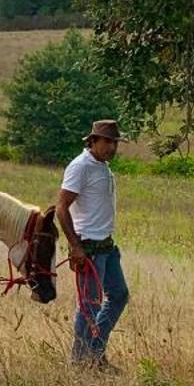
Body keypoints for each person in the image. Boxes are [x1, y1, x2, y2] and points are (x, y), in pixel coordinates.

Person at [58, 118, 129, 372]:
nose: (112, 147)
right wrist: (75, 246)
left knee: (119, 295)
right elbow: (61, 208)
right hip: (88, 247)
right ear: (93, 141)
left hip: (107, 247)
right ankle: (79, 363)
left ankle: (95, 352)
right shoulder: (81, 167)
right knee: (89, 305)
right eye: (107, 141)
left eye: (115, 142)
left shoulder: (103, 166)